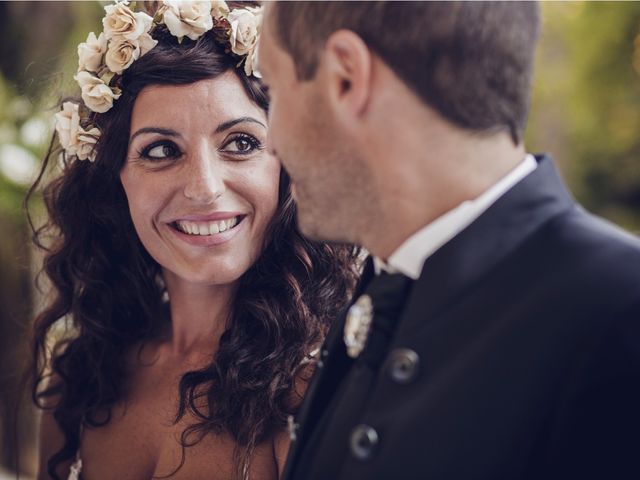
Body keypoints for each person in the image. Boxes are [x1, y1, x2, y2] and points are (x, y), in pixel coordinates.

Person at [257, 2, 640, 479]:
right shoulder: (383, 290)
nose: (270, 142)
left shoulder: (620, 313)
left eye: (271, 89)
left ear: (346, 78)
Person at [27, 2, 359, 479]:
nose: (205, 188)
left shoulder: (315, 388)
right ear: (114, 182)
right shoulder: (76, 381)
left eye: (241, 143)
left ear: (286, 163)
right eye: (161, 150)